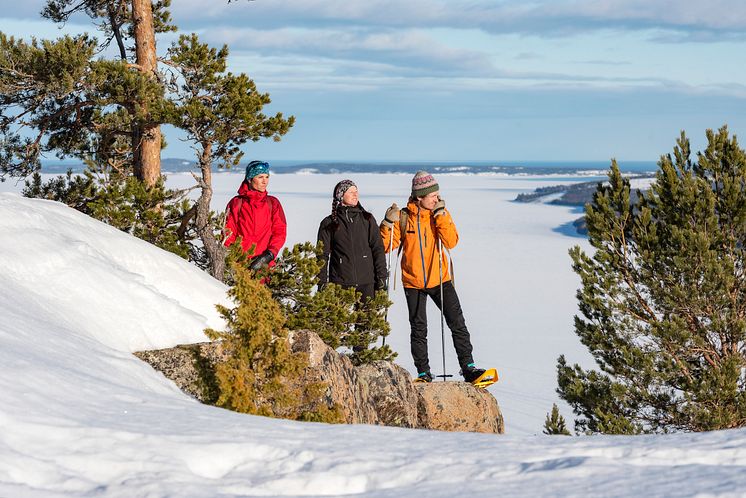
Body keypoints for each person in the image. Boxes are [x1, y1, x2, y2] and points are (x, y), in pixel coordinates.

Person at [380, 171, 485, 383]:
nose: (437, 198)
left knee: (457, 323)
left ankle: (469, 367)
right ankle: (423, 373)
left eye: (437, 194)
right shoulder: (404, 217)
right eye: (433, 196)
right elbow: (386, 246)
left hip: (440, 278)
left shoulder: (440, 213)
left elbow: (451, 241)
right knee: (419, 329)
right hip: (413, 282)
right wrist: (386, 224)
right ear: (419, 197)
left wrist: (441, 217)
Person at [317, 179, 387, 302]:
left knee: (367, 321)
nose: (355, 195)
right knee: (337, 321)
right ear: (340, 195)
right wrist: (321, 282)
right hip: (339, 283)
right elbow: (322, 255)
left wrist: (382, 277)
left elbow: (378, 249)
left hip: (367, 282)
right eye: (351, 192)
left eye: (356, 191)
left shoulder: (367, 219)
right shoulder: (329, 223)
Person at [224, 160, 287, 271]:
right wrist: (233, 261)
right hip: (241, 264)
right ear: (249, 179)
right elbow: (228, 234)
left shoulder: (273, 203)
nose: (265, 181)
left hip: (265, 264)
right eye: (260, 177)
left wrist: (269, 254)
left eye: (267, 177)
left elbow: (280, 231)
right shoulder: (236, 203)